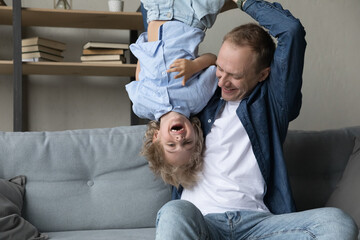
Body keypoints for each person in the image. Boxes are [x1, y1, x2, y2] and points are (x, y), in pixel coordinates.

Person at [155, 0, 359, 239]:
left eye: (235, 76)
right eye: (220, 68)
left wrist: (243, 2)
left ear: (263, 75)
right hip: (202, 224)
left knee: (337, 223)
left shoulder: (273, 104)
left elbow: (291, 31)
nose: (221, 81)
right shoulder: (201, 98)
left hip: (258, 227)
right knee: (173, 211)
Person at [126, 0, 235, 188]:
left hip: (157, 11)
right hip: (190, 16)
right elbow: (214, 62)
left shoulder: (142, 105)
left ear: (156, 137)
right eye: (188, 143)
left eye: (171, 146)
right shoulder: (196, 100)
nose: (179, 140)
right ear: (195, 133)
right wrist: (194, 66)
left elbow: (140, 71)